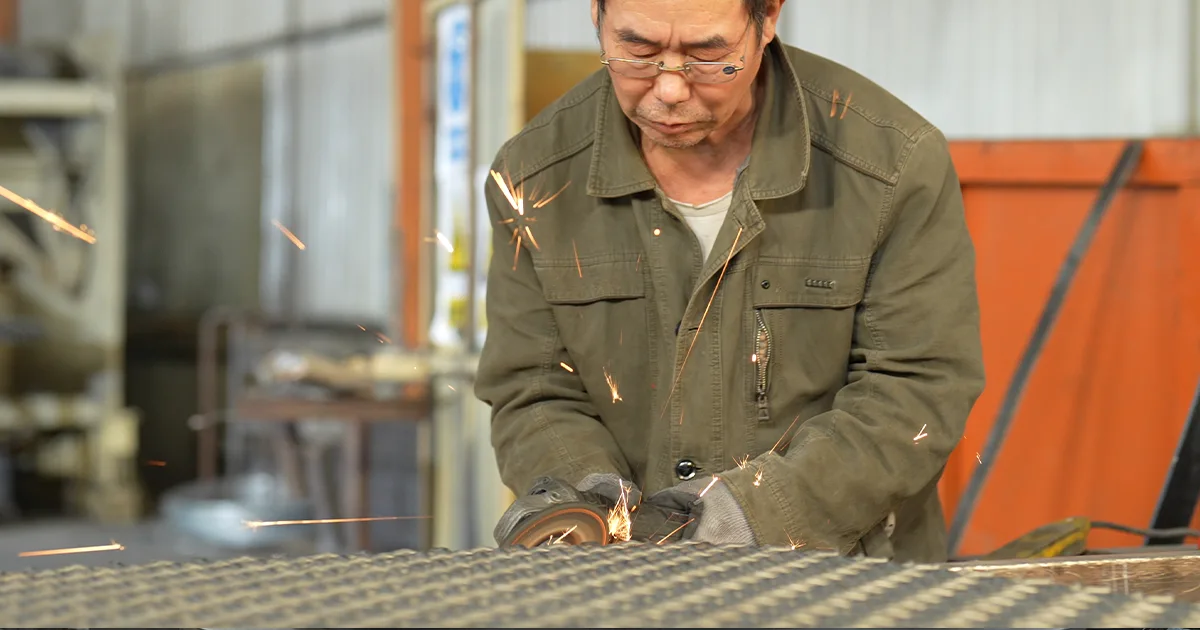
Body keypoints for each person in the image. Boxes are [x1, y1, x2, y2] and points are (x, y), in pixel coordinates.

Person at [476, 0, 985, 562]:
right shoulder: (534, 176)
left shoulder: (892, 165)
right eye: (637, 50)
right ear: (595, 15)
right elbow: (532, 387)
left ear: (767, 20)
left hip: (842, 584)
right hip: (624, 589)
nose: (668, 89)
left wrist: (760, 514)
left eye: (707, 54)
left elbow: (915, 390)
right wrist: (587, 498)